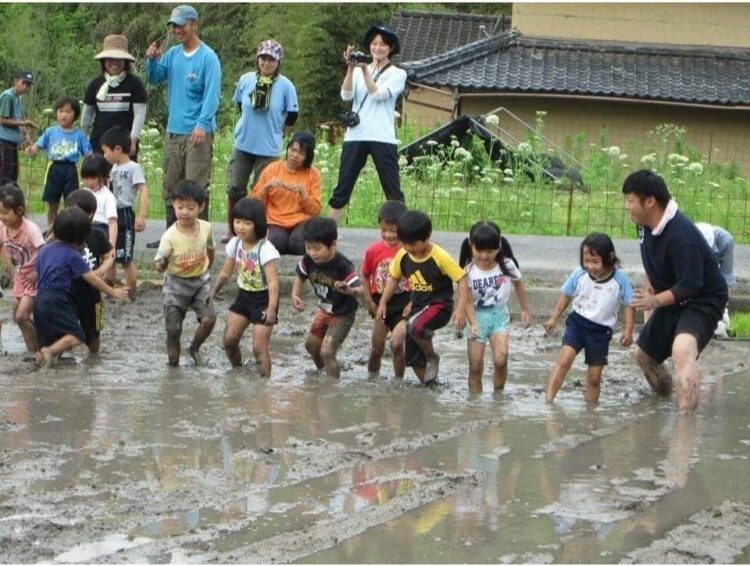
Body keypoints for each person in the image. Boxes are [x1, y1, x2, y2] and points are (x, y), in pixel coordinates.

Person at [622, 170, 728, 412]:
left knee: (681, 350)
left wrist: (654, 301)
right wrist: (651, 281)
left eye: (630, 201)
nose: (627, 207)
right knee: (644, 357)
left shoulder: (681, 236)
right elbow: (651, 254)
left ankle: (685, 419)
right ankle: (665, 399)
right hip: (670, 294)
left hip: (703, 298)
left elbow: (691, 285)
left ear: (650, 201)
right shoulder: (643, 225)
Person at [145, 4, 221, 245]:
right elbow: (155, 78)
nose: (177, 30)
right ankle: (171, 237)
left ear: (194, 25)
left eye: (181, 25)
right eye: (174, 26)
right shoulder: (173, 54)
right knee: (171, 185)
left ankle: (201, 239)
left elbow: (212, 95)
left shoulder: (208, 57)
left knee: (196, 187)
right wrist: (151, 60)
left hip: (198, 132)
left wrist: (202, 124)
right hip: (173, 131)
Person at [376, 210, 469, 386]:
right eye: (405, 244)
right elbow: (394, 278)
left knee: (414, 326)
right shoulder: (403, 255)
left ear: (427, 239)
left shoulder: (440, 256)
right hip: (418, 310)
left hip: (439, 306)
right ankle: (430, 387)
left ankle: (432, 356)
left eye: (413, 244)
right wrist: (382, 302)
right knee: (412, 357)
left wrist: (460, 309)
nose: (409, 248)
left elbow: (462, 280)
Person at [328, 25, 407, 223]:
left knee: (393, 190)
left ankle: (405, 235)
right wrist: (351, 68)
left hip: (382, 136)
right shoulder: (358, 69)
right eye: (374, 44)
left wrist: (363, 70)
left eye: (382, 45)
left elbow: (378, 95)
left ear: (391, 48)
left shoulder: (398, 74)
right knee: (342, 187)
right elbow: (346, 95)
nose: (377, 48)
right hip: (356, 135)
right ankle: (328, 234)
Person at [543, 232, 634, 404]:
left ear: (609, 258)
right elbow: (566, 295)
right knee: (564, 360)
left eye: (595, 261)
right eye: (586, 261)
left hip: (601, 331)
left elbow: (629, 304)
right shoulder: (579, 273)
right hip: (577, 323)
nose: (590, 266)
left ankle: (590, 413)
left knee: (594, 377)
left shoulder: (620, 279)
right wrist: (553, 318)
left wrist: (628, 331)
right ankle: (548, 403)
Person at [223, 38, 299, 243]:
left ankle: (256, 230)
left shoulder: (286, 86)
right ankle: (232, 228)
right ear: (257, 59)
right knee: (235, 188)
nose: (266, 63)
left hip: (268, 146)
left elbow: (292, 114)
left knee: (262, 191)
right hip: (244, 142)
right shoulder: (246, 79)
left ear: (278, 62)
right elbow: (239, 104)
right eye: (263, 59)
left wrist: (281, 132)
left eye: (271, 60)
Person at [32, 207, 128, 367]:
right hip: (61, 299)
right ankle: (51, 352)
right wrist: (113, 291)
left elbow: (36, 274)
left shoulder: (46, 249)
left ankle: (44, 364)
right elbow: (92, 279)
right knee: (78, 336)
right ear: (81, 240)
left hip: (40, 299)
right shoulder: (73, 255)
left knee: (48, 339)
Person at [210, 198, 280, 377]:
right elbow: (226, 272)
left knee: (258, 348)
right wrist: (212, 291)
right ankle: (237, 370)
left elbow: (273, 282)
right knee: (229, 340)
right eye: (237, 221)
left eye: (247, 223)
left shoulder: (265, 249)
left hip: (263, 300)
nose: (240, 227)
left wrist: (271, 309)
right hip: (243, 296)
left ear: (258, 224)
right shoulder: (235, 243)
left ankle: (265, 384)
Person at [459, 221, 531, 394]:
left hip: (499, 317)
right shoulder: (467, 271)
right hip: (476, 317)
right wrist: (472, 321)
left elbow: (518, 285)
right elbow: (467, 300)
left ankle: (498, 397)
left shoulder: (506, 265)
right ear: (471, 246)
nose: (484, 255)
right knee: (475, 366)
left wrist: (525, 309)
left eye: (490, 251)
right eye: (479, 250)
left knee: (501, 359)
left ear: (499, 247)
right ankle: (474, 405)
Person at [153, 180, 216, 367]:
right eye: (180, 207)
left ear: (201, 207)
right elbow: (158, 266)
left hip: (199, 282)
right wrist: (162, 263)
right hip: (175, 285)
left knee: (209, 319)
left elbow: (211, 249)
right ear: (173, 205)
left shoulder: (206, 228)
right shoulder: (169, 237)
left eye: (190, 207)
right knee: (173, 329)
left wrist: (206, 268)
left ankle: (194, 347)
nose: (184, 212)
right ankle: (173, 365)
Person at [291, 217, 362, 379]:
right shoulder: (308, 260)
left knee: (327, 351)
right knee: (311, 346)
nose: (312, 253)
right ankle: (325, 372)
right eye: (308, 247)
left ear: (333, 244)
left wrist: (349, 289)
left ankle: (332, 387)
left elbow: (361, 289)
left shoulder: (343, 265)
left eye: (317, 248)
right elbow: (300, 276)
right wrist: (295, 295)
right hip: (324, 310)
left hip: (342, 314)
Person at [25, 96, 92, 231]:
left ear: (75, 115)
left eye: (68, 112)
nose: (64, 115)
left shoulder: (79, 135)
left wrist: (90, 172)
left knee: (72, 203)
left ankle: (69, 231)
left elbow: (89, 155)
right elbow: (37, 147)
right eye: (61, 111)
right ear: (56, 113)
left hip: (70, 170)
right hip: (54, 169)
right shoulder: (50, 131)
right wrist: (31, 150)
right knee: (53, 203)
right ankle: (52, 230)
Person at [250, 130, 321, 255]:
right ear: (287, 149)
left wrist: (303, 194)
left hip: (301, 222)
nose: (295, 155)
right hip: (274, 222)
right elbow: (254, 204)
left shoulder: (312, 173)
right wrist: (266, 188)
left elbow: (315, 210)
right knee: (276, 243)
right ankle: (283, 240)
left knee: (298, 244)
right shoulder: (272, 169)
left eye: (301, 153)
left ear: (307, 157)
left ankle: (292, 241)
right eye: (292, 150)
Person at [360, 200, 409, 379]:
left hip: (403, 300)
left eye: (393, 231)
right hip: (380, 302)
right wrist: (368, 300)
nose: (388, 235)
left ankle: (399, 381)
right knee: (376, 347)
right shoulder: (373, 250)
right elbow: (365, 274)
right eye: (383, 230)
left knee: (396, 344)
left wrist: (412, 302)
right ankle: (371, 378)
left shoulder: (409, 250)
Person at [100, 126, 148, 299]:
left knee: (126, 258)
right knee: (109, 253)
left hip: (125, 215)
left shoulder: (133, 168)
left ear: (118, 149)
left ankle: (132, 293)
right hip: (111, 214)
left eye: (106, 152)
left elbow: (143, 191)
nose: (105, 156)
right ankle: (109, 289)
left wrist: (142, 215)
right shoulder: (113, 169)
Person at [66, 189, 115, 355]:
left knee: (94, 332)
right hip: (69, 290)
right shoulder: (63, 234)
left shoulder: (97, 234)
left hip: (93, 292)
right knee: (65, 327)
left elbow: (109, 256)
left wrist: (101, 270)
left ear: (91, 214)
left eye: (78, 213)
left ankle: (93, 360)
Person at [82, 34, 148, 157]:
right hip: (98, 143)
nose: (114, 63)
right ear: (103, 61)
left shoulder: (134, 84)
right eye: (110, 59)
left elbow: (139, 114)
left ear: (125, 61)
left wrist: (133, 140)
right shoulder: (95, 84)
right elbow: (87, 114)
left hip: (124, 144)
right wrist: (83, 139)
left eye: (119, 59)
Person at [0, 182, 44, 354]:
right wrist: (6, 268)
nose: (1, 216)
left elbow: (44, 251)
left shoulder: (30, 229)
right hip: (19, 276)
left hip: (33, 278)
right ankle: (36, 348)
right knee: (16, 316)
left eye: (5, 212)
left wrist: (37, 272)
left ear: (19, 211)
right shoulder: (3, 227)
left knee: (21, 317)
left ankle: (36, 353)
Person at [0, 71, 36, 183]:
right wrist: (25, 123)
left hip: (12, 143)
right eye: (24, 83)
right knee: (6, 174)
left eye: (29, 85)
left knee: (13, 173)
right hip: (4, 141)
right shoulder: (8, 96)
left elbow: (17, 118)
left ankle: (9, 199)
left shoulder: (18, 97)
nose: (26, 87)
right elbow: (2, 120)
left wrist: (27, 135)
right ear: (16, 81)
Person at [80, 153, 117, 249]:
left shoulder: (108, 196)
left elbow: (112, 222)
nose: (90, 182)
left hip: (100, 231)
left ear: (104, 176)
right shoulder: (82, 193)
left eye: (93, 178)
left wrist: (111, 245)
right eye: (86, 178)